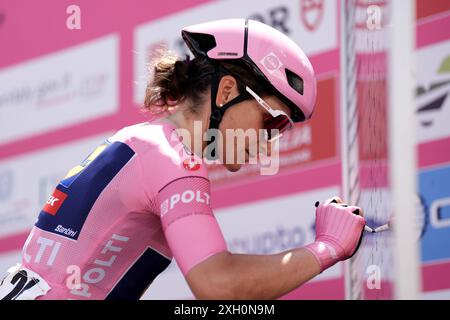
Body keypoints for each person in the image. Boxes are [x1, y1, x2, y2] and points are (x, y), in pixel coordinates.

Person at [0, 19, 365, 300]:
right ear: (226, 91)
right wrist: (327, 248)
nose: (269, 139)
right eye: (271, 119)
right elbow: (218, 284)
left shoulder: (144, 141)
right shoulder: (174, 161)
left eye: (282, 129)